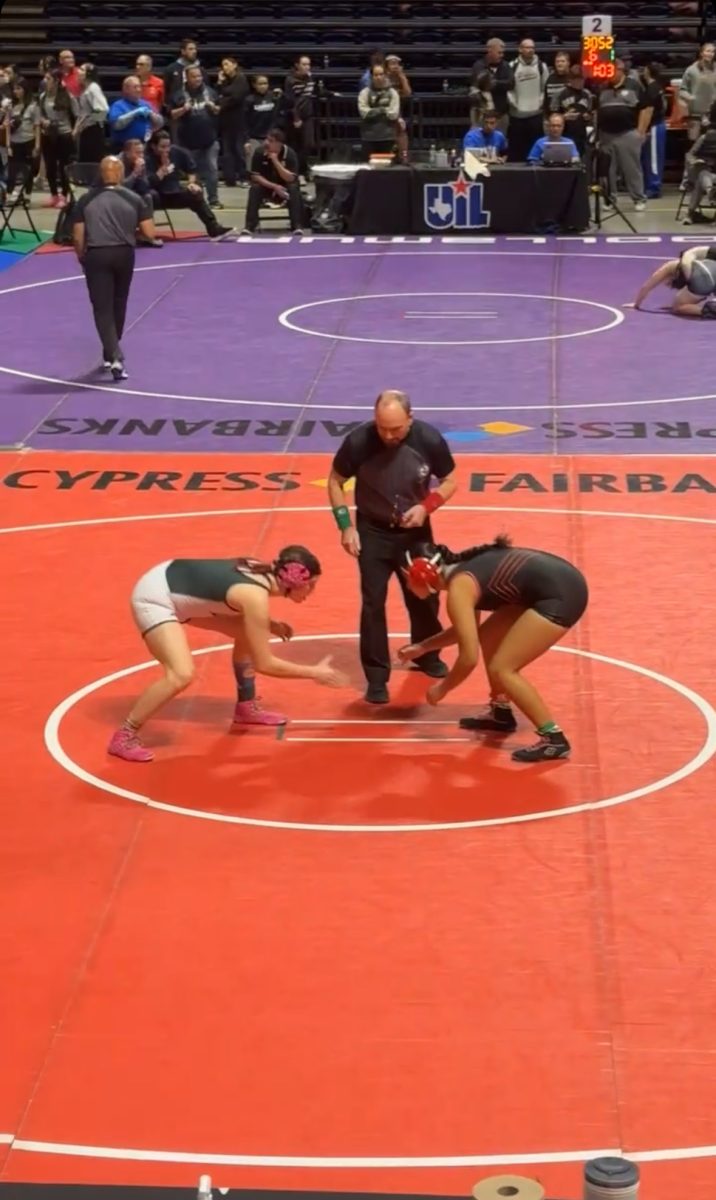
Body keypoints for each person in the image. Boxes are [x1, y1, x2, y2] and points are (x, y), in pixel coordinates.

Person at [108, 545, 348, 762]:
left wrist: (268, 624)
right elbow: (265, 664)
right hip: (156, 597)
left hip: (179, 587)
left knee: (249, 632)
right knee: (180, 674)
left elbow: (229, 598)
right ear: (295, 581)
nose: (312, 591)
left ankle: (246, 706)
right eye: (312, 585)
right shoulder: (254, 596)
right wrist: (314, 672)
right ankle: (125, 734)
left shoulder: (260, 574)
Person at [398, 536, 589, 762]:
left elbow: (468, 658)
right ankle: (501, 711)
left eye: (409, 579)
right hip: (554, 585)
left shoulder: (460, 589)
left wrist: (442, 688)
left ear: (425, 576)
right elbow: (465, 629)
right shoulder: (461, 577)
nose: (408, 585)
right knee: (489, 636)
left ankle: (553, 739)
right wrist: (422, 647)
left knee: (503, 668)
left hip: (561, 595)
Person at [328, 390, 457, 704]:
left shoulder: (429, 439)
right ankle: (376, 676)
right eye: (382, 427)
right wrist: (345, 526)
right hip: (372, 531)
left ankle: (426, 654)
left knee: (425, 596)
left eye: (396, 429)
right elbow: (335, 480)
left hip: (414, 530)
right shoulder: (358, 441)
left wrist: (427, 507)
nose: (388, 435)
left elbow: (451, 480)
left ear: (410, 420)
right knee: (373, 603)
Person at [72, 155, 155, 379]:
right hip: (124, 254)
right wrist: (130, 232)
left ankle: (115, 356)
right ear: (119, 173)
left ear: (101, 173)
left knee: (102, 308)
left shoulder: (86, 200)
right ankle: (110, 354)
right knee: (119, 304)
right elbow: (150, 233)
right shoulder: (134, 199)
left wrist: (82, 257)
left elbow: (78, 237)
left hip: (97, 254)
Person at [145, 129, 233, 239]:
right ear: (153, 146)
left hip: (174, 192)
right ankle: (146, 232)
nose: (166, 150)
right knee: (149, 195)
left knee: (195, 194)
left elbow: (192, 169)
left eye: (168, 146)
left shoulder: (176, 152)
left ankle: (214, 228)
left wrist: (192, 183)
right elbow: (147, 183)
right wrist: (162, 169)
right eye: (162, 147)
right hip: (157, 196)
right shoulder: (147, 159)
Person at [170, 63, 222, 207]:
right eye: (194, 76)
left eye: (199, 76)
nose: (198, 79)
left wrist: (214, 107)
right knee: (195, 172)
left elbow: (219, 110)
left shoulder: (210, 92)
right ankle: (198, 200)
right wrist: (183, 109)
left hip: (209, 140)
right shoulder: (179, 94)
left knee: (212, 170)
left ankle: (213, 199)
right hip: (189, 142)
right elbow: (172, 115)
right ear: (187, 78)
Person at [244, 126, 302, 234]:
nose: (266, 143)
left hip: (285, 187)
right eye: (267, 139)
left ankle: (297, 226)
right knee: (254, 188)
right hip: (268, 187)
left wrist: (275, 161)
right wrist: (274, 186)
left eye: (271, 141)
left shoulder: (289, 154)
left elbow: (290, 178)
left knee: (294, 188)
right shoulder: (259, 152)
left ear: (279, 143)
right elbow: (255, 176)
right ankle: (249, 226)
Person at [631, 244, 716, 317]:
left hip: (701, 281)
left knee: (678, 307)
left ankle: (709, 311)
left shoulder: (671, 265)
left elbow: (647, 286)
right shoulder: (701, 263)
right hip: (712, 271)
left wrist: (636, 304)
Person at [38, 68, 78, 208]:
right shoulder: (43, 96)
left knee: (63, 167)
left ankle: (64, 195)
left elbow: (77, 114)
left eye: (48, 79)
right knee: (50, 166)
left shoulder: (67, 96)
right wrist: (43, 120)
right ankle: (53, 195)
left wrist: (75, 130)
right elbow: (40, 113)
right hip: (48, 134)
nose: (45, 81)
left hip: (63, 134)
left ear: (56, 81)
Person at [4, 75, 40, 202]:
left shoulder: (33, 106)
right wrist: (8, 144)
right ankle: (9, 195)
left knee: (28, 171)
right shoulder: (10, 106)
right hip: (15, 142)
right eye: (14, 89)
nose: (16, 92)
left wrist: (37, 145)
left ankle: (27, 195)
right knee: (12, 171)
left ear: (25, 89)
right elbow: (7, 125)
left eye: (18, 89)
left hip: (28, 141)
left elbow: (36, 126)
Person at [216, 56, 249, 187]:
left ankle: (243, 177)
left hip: (239, 120)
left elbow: (236, 96)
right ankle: (229, 178)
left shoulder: (241, 78)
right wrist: (220, 83)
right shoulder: (225, 81)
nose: (225, 67)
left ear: (235, 65)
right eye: (223, 65)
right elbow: (218, 96)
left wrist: (223, 99)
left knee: (238, 150)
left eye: (227, 64)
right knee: (227, 151)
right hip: (225, 121)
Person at [108, 74, 163, 151]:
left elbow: (160, 123)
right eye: (135, 87)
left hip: (144, 146)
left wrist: (151, 114)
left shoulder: (146, 104)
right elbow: (116, 124)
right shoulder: (118, 105)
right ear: (126, 89)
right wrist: (135, 113)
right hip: (123, 148)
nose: (139, 90)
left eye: (139, 87)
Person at [357, 62, 400, 158]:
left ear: (385, 75)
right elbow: (364, 113)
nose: (379, 77)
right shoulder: (364, 93)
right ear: (371, 76)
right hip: (368, 137)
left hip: (387, 136)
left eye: (381, 74)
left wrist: (373, 111)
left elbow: (393, 114)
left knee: (387, 169)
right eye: (376, 75)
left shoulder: (392, 93)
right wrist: (384, 110)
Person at [639, 63, 667, 199]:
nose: (643, 71)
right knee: (650, 158)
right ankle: (650, 185)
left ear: (648, 71)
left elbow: (649, 111)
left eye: (644, 69)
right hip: (657, 124)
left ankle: (654, 187)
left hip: (655, 125)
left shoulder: (652, 88)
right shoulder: (657, 87)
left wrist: (643, 130)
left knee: (653, 159)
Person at [75, 63, 108, 163]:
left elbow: (103, 110)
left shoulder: (93, 88)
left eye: (81, 69)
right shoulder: (86, 89)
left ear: (88, 74)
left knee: (91, 162)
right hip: (87, 131)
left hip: (93, 132)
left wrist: (87, 121)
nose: (78, 71)